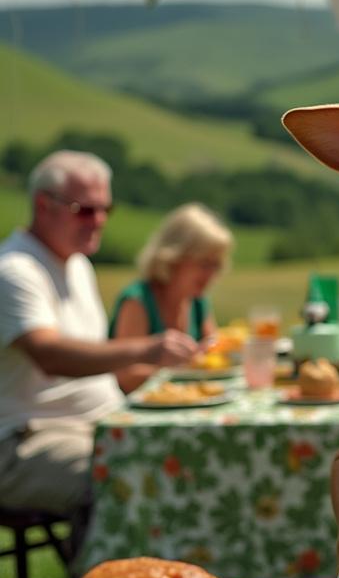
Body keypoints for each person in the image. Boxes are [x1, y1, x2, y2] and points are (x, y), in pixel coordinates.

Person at [0, 151, 198, 542]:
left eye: (105, 208)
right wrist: (147, 349)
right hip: (26, 440)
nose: (100, 221)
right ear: (43, 205)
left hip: (94, 427)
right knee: (129, 475)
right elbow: (50, 355)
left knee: (187, 455)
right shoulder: (15, 271)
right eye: (84, 210)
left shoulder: (76, 265)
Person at [109, 203, 233, 393]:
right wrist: (184, 370)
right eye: (204, 264)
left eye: (216, 265)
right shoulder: (138, 300)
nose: (212, 274)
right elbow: (126, 377)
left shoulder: (197, 301)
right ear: (174, 258)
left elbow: (214, 354)